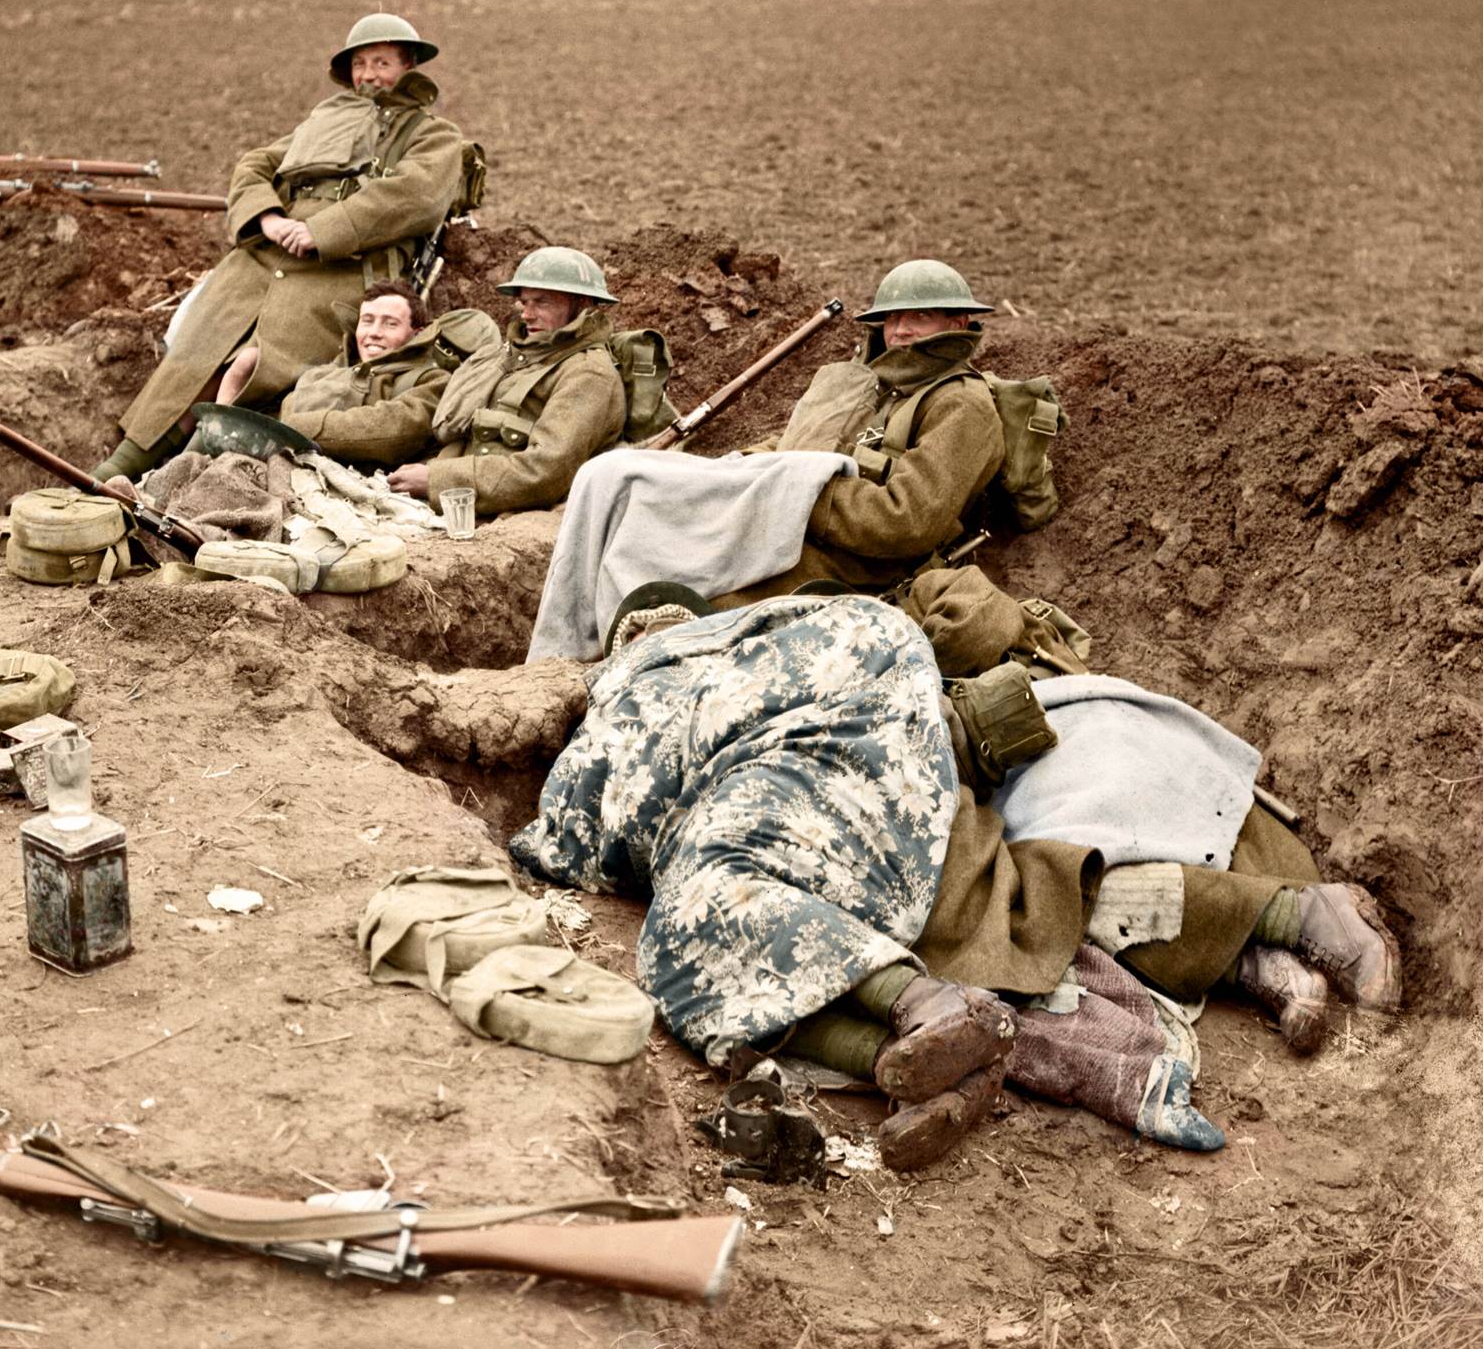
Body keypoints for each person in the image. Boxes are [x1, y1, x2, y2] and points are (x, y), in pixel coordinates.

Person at [510, 591, 1400, 1170]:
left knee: (707, 946)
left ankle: (923, 1023)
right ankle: (1275, 933)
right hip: (902, 792)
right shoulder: (780, 621)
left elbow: (580, 834)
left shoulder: (642, 679)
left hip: (822, 803)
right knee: (1031, 901)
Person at [91, 13, 465, 484]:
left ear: (408, 65)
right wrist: (268, 217)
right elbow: (254, 166)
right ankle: (117, 470)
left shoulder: (434, 134)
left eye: (382, 62)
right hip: (265, 259)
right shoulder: (322, 122)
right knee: (195, 355)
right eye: (360, 64)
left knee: (253, 365)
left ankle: (177, 475)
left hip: (344, 267)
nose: (369, 74)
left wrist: (324, 229)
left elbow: (416, 195)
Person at [718, 258, 1004, 605]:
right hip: (803, 533)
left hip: (866, 570)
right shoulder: (876, 386)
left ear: (956, 323)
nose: (900, 330)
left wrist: (801, 493)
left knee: (710, 599)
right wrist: (740, 467)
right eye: (893, 318)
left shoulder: (961, 404)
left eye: (920, 317)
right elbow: (796, 440)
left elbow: (907, 522)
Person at [393, 246, 628, 519]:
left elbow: (543, 473)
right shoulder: (513, 356)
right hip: (457, 500)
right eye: (524, 302)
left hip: (508, 518)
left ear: (582, 304)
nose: (527, 315)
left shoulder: (588, 375)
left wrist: (436, 480)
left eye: (542, 302)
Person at [260, 280, 499, 469]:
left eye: (390, 324)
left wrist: (294, 429)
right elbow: (289, 408)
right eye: (367, 321)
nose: (374, 333)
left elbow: (393, 430)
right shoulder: (322, 374)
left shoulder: (430, 380)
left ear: (416, 333)